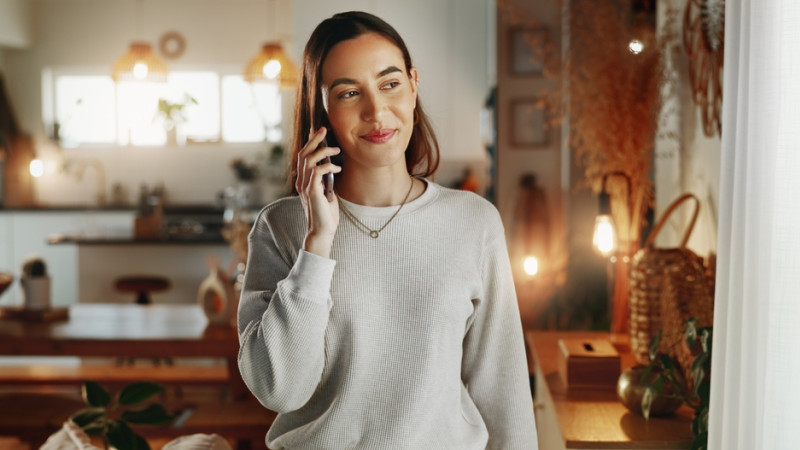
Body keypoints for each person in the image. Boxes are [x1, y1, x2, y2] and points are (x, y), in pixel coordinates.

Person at [237, 11, 538, 449]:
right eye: (348, 92)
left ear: (413, 84)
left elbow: (502, 391)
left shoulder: (474, 222)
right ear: (320, 107)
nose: (376, 110)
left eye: (390, 83)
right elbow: (279, 388)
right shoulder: (281, 227)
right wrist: (317, 245)